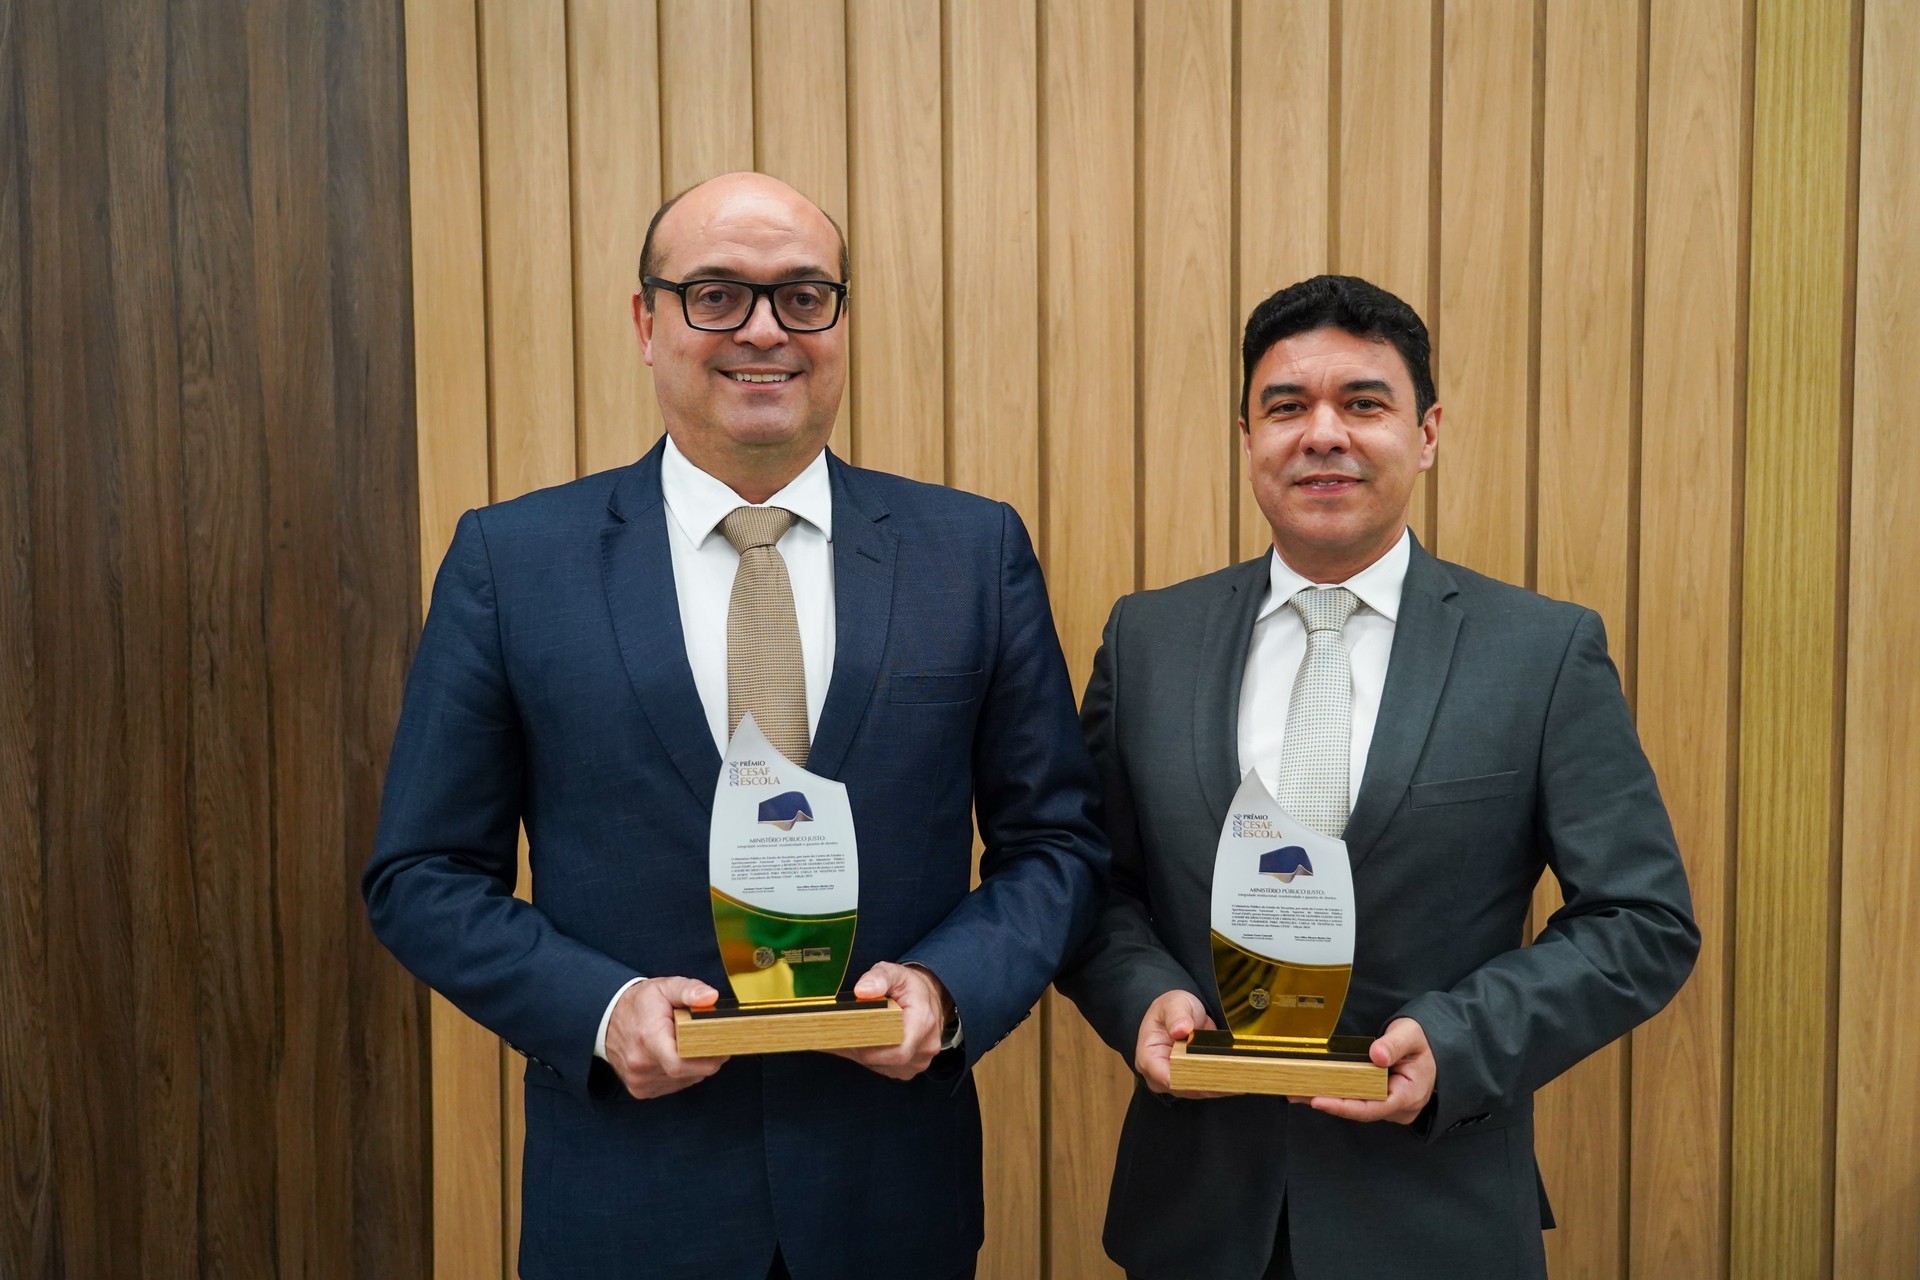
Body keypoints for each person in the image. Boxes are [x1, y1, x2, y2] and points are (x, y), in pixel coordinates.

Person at [364, 172, 1106, 1280]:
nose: (766, 329)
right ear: (645, 319)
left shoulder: (970, 555)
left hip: (890, 1201)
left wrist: (950, 990)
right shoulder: (513, 564)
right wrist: (601, 1009)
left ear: (842, 322)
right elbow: (420, 872)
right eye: (717, 293)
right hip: (628, 1200)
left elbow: (1056, 843)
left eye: (805, 296)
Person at [1055, 274, 1698, 1280]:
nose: (1322, 434)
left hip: (1435, 1213)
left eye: (1363, 402)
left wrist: (1457, 1038)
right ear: (1247, 436)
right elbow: (1090, 881)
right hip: (1197, 1216)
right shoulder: (1149, 640)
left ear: (1428, 430)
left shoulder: (1539, 652)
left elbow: (1641, 918)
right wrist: (1142, 996)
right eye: (1286, 406)